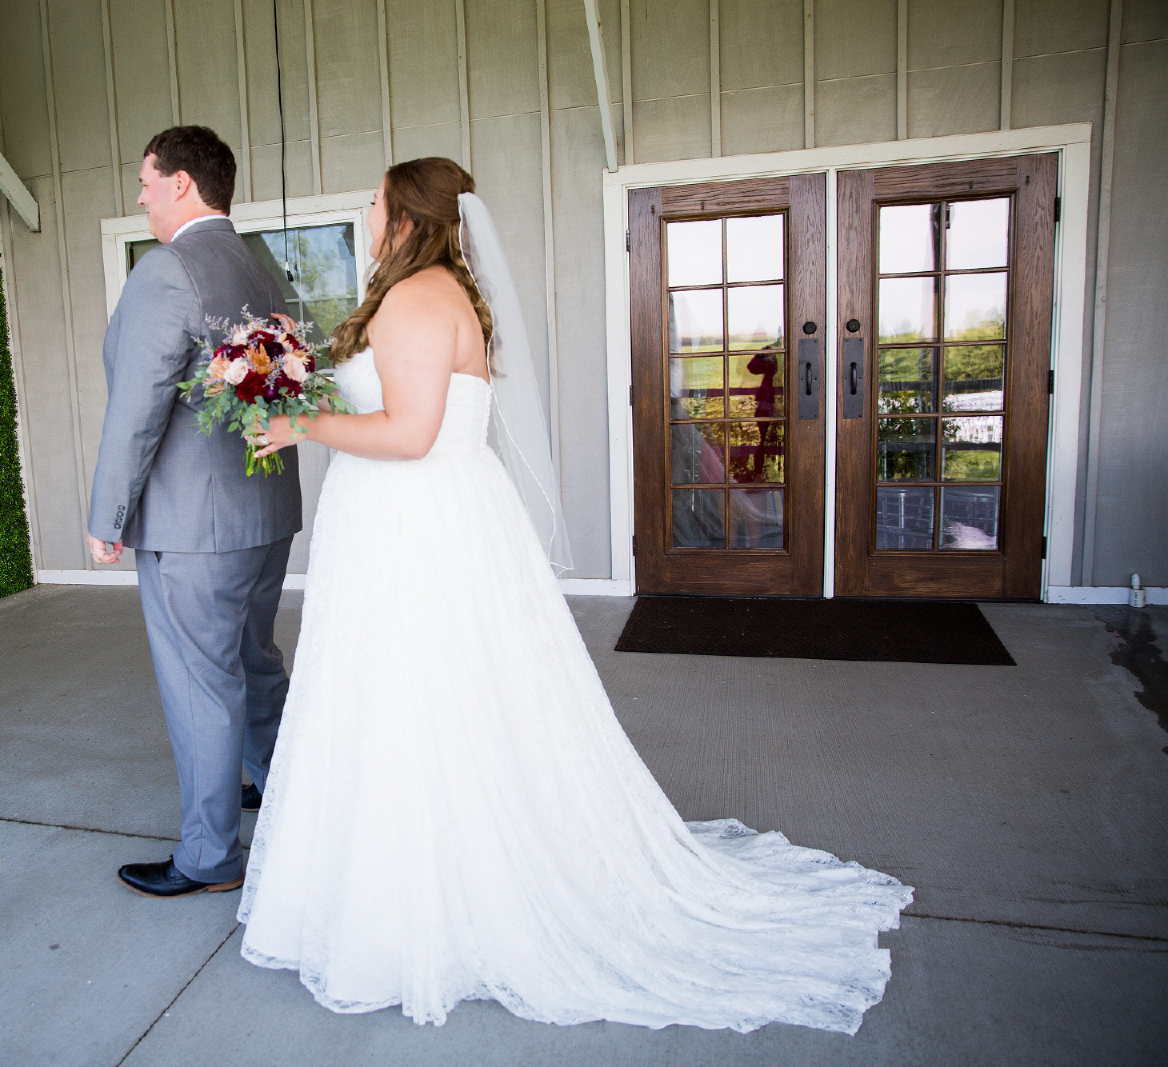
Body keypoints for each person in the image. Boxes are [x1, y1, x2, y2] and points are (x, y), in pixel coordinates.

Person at [236, 157, 913, 1033]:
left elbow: (408, 431)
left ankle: (423, 905)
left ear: (404, 217)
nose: (364, 212)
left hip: (414, 528)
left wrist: (295, 421)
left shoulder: (412, 299)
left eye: (372, 201)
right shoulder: (443, 294)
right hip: (442, 518)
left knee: (413, 694)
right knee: (458, 698)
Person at [88, 126, 300, 898]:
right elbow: (281, 387)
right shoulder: (260, 265)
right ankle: (281, 788)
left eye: (145, 180)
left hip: (193, 526)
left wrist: (108, 514)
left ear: (181, 182)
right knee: (252, 661)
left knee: (200, 684)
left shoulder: (165, 270)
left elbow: (136, 410)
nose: (139, 194)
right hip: (264, 511)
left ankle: (210, 858)